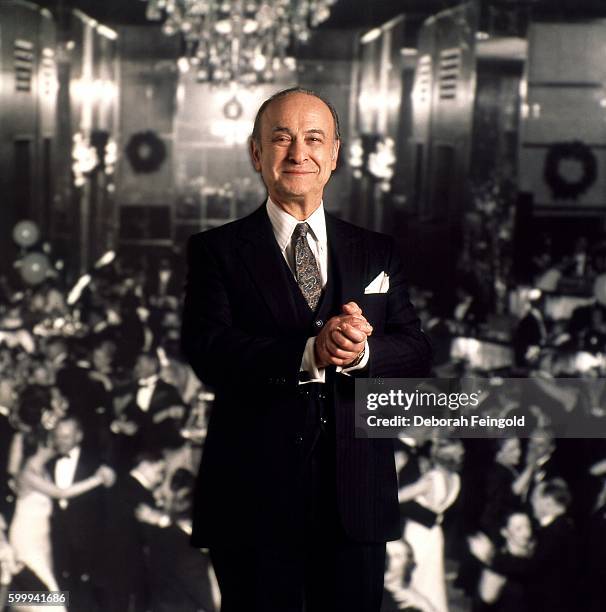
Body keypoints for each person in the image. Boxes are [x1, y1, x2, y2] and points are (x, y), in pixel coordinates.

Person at [181, 87, 432, 612]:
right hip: (252, 502)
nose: (299, 153)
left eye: (314, 139)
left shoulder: (376, 250)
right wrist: (307, 353)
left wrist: (359, 353)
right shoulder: (216, 251)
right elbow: (208, 350)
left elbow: (415, 348)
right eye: (282, 139)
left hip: (356, 504)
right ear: (257, 153)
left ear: (335, 154)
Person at [469, 478, 578, 612]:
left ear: (548, 502)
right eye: (519, 528)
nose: (531, 502)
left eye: (535, 498)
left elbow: (532, 568)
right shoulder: (558, 527)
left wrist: (490, 555)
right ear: (505, 532)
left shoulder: (555, 533)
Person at [47, 417, 115, 611]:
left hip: (88, 542)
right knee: (54, 591)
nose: (60, 441)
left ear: (79, 436)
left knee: (85, 596)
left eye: (66, 437)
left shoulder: (96, 463)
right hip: (53, 539)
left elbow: (106, 506)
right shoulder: (46, 462)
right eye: (57, 436)